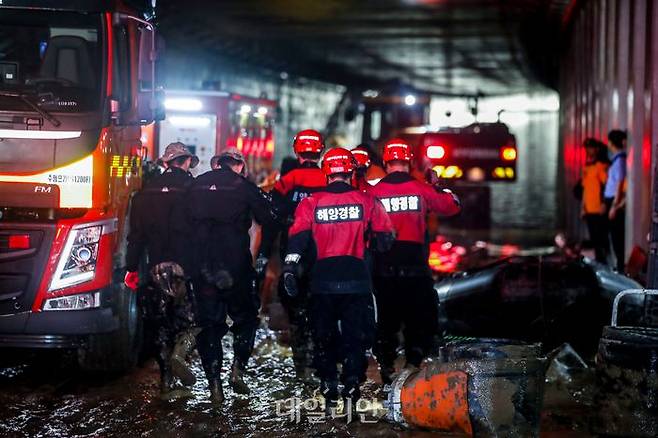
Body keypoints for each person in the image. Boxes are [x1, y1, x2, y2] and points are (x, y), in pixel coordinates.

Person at [283, 147, 395, 409]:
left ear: (326, 172)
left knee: (323, 335)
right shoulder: (367, 201)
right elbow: (385, 237)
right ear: (351, 170)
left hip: (322, 279)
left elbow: (297, 240)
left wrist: (289, 268)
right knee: (356, 337)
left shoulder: (311, 202)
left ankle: (329, 385)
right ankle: (352, 386)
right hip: (357, 278)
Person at [368, 138, 461, 384]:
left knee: (385, 321)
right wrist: (440, 185)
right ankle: (412, 368)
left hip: (384, 269)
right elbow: (452, 206)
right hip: (415, 269)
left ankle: (386, 368)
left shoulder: (373, 193)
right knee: (418, 320)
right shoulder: (422, 189)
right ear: (409, 162)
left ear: (386, 162)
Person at [187, 148, 276, 404]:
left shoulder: (197, 185)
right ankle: (238, 369)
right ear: (238, 165)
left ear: (217, 165)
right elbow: (268, 218)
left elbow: (182, 221)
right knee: (246, 317)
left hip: (203, 266)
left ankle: (214, 386)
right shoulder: (244, 186)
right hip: (235, 264)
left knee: (209, 324)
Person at [124, 142, 199, 397]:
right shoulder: (193, 189)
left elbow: (135, 237)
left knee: (161, 324)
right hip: (186, 265)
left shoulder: (146, 192)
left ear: (166, 163)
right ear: (187, 161)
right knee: (193, 320)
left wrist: (131, 268)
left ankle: (167, 382)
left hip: (157, 267)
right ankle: (181, 353)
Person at [256, 129, 327, 379]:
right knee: (321, 305)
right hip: (324, 252)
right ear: (320, 152)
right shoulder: (328, 179)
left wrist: (263, 254)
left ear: (298, 151)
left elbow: (272, 218)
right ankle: (320, 359)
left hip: (292, 252)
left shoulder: (288, 180)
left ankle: (301, 365)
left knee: (294, 305)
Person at [580, 138, 609, 263]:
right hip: (589, 209)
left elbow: (606, 186)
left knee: (600, 239)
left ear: (596, 149)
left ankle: (602, 263)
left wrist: (604, 203)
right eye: (587, 148)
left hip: (598, 209)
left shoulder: (601, 166)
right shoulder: (587, 166)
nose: (588, 150)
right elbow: (585, 189)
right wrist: (583, 207)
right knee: (594, 239)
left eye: (590, 148)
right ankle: (598, 262)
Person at [604, 130, 627, 272]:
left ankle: (619, 268)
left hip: (613, 201)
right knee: (613, 235)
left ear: (612, 143)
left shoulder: (619, 161)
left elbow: (619, 184)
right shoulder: (617, 159)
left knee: (616, 235)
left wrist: (614, 206)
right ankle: (617, 265)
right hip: (612, 200)